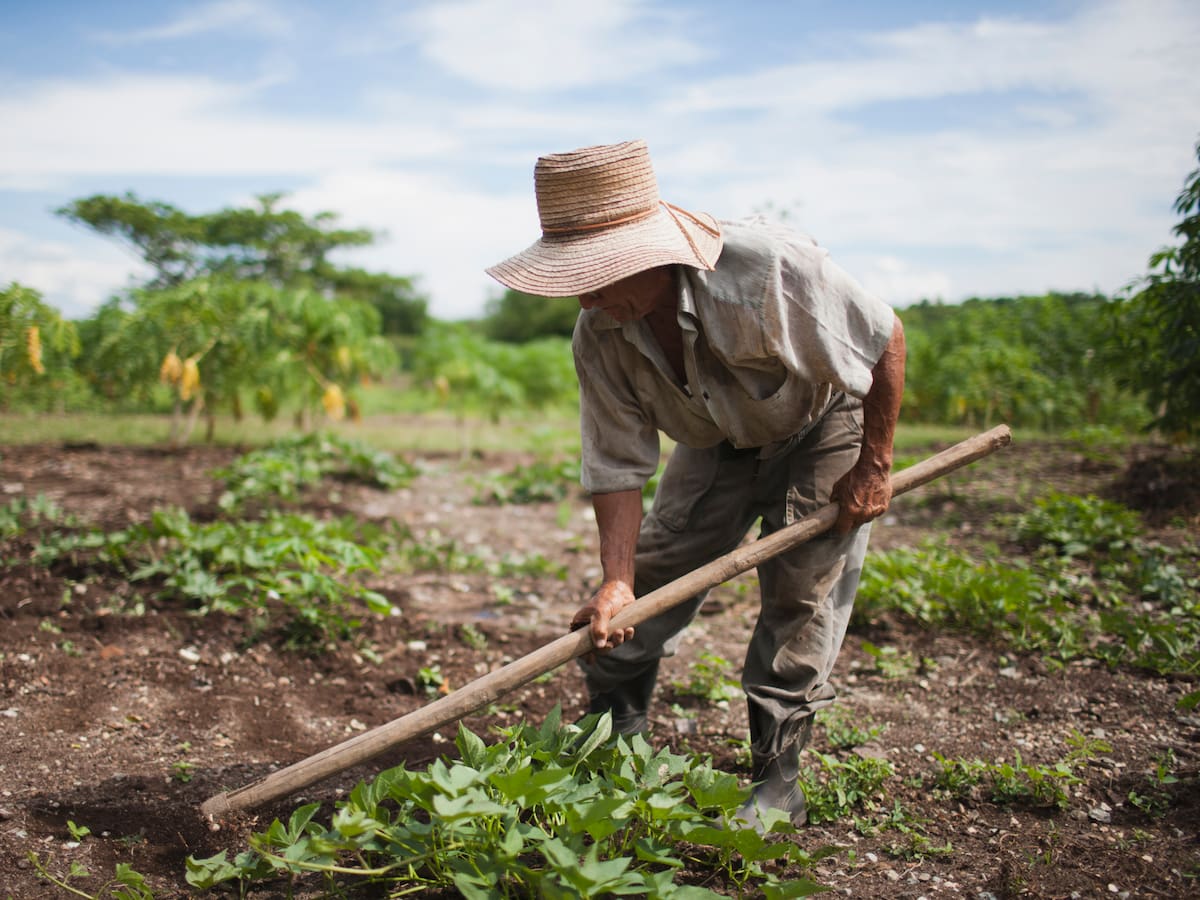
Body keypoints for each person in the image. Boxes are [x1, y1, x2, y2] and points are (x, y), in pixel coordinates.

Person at [486, 139, 905, 832]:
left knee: (801, 592)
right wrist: (615, 581)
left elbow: (884, 338)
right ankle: (616, 733)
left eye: (598, 272)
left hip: (821, 420)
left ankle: (778, 782)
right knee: (644, 584)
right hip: (715, 441)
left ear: (651, 252)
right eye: (574, 276)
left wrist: (875, 465)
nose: (585, 292)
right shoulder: (600, 333)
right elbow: (617, 464)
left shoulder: (767, 268)